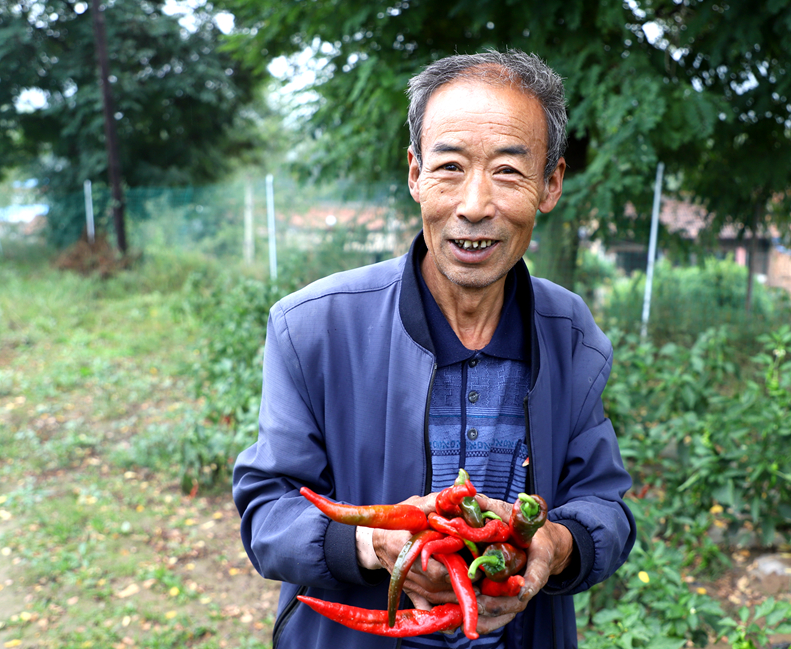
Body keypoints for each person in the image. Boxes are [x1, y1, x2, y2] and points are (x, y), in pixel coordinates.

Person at [233, 49, 636, 649]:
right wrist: (373, 544)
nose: (474, 205)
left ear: (551, 184)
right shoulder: (312, 327)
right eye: (449, 167)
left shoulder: (569, 332)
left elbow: (605, 505)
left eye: (507, 171)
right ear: (416, 174)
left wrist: (555, 542)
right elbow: (268, 512)